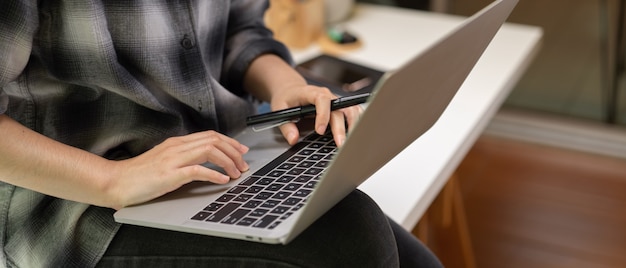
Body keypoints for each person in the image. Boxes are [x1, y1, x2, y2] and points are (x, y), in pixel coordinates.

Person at [0, 1, 443, 267]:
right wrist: (112, 181)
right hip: (77, 207)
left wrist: (284, 85)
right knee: (353, 241)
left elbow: (240, 31)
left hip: (226, 162)